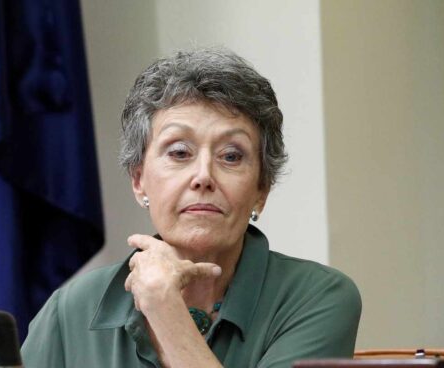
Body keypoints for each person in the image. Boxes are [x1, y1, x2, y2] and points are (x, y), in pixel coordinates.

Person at [21, 47, 361, 368]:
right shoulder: (70, 311)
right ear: (139, 181)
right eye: (179, 152)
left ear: (261, 190)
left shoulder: (318, 298)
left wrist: (165, 309)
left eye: (231, 156)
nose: (203, 177)